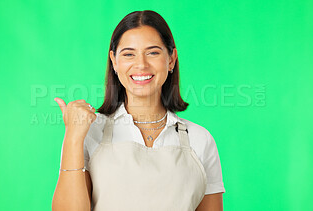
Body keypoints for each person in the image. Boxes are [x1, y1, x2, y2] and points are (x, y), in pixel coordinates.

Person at [52, 10, 225, 211]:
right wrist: (73, 137)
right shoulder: (89, 133)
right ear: (114, 61)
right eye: (128, 54)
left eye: (152, 52)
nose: (141, 64)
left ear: (171, 59)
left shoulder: (200, 139)